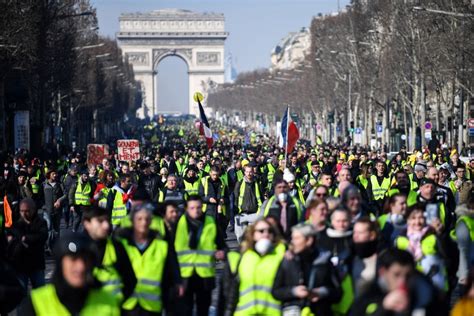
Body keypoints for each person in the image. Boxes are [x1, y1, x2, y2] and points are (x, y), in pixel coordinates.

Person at [22, 232, 120, 315]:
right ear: (60, 264)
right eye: (73, 259)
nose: (81, 267)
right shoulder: (36, 302)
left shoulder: (109, 301)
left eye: (86, 260)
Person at [118, 203, 182, 315]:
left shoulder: (161, 246)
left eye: (147, 219)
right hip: (128, 302)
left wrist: (177, 283)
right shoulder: (121, 245)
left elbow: (170, 270)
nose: (144, 222)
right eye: (139, 219)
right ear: (132, 221)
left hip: (152, 304)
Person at [272, 223, 342, 316]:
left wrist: (320, 293)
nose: (292, 242)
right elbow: (276, 291)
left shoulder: (324, 260)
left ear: (309, 240)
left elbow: (337, 293)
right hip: (293, 311)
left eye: (296, 238)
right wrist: (294, 291)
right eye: (292, 238)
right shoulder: (288, 261)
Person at [175, 195, 226, 316]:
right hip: (184, 274)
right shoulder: (178, 223)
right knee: (185, 310)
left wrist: (221, 253)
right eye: (192, 208)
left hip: (205, 274)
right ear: (186, 208)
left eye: (198, 207)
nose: (196, 210)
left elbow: (221, 245)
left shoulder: (211, 222)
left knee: (203, 309)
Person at [224, 219, 285, 315]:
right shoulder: (242, 256)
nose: (266, 234)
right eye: (261, 231)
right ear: (253, 234)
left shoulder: (283, 254)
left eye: (270, 231)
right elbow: (231, 291)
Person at [82, 206, 137, 303]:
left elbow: (130, 280)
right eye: (100, 221)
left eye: (107, 221)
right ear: (87, 224)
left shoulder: (117, 246)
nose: (106, 225)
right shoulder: (77, 248)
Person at [394, 204, 448, 292]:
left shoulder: (433, 236)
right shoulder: (400, 240)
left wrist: (441, 234)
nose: (417, 222)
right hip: (410, 285)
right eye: (413, 218)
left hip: (435, 285)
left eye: (421, 218)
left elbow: (449, 257)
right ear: (407, 220)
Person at [352, 248, 414, 315]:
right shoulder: (367, 296)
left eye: (408, 276)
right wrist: (383, 308)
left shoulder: (420, 294)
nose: (402, 281)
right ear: (383, 272)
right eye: (396, 275)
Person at [316, 208, 354, 315]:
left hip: (350, 290)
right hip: (328, 291)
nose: (341, 225)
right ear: (332, 222)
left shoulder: (354, 238)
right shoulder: (322, 239)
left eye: (345, 221)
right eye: (338, 221)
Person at [6, 198, 48, 295]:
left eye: (27, 211)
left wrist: (25, 239)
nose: (24, 214)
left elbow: (42, 237)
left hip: (37, 264)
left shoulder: (40, 222)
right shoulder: (17, 224)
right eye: (22, 211)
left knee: (40, 294)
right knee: (20, 296)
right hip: (21, 265)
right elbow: (10, 240)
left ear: (33, 210)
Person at [233, 165, 263, 242]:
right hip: (241, 213)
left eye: (250, 172)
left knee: (252, 237)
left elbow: (261, 197)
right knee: (241, 236)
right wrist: (235, 211)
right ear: (244, 173)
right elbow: (235, 197)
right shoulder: (239, 183)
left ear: (253, 172)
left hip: (254, 213)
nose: (249, 173)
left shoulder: (257, 183)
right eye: (247, 172)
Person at [351, 217, 380, 297]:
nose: (355, 236)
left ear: (372, 235)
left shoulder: (381, 258)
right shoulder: (350, 256)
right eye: (354, 232)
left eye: (360, 233)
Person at [41, 169, 67, 252]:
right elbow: (39, 196)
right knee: (48, 228)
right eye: (53, 174)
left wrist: (59, 200)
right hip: (46, 210)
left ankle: (56, 246)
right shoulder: (44, 184)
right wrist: (43, 205)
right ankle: (47, 246)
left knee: (56, 229)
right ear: (49, 175)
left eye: (56, 174)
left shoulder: (59, 184)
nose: (55, 175)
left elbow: (65, 194)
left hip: (57, 210)